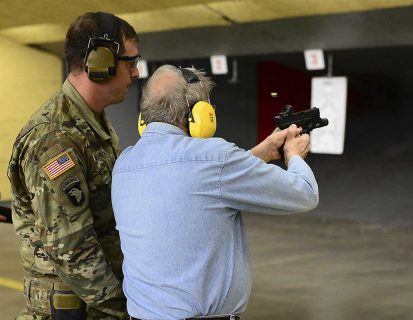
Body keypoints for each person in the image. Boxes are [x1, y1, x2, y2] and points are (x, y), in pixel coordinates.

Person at [111, 65, 319, 320]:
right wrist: (294, 155)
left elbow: (194, 180)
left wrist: (261, 153)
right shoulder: (215, 158)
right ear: (198, 113)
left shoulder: (124, 164)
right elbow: (304, 193)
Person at [7, 12, 140, 320]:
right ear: (100, 63)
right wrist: (128, 310)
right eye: (130, 62)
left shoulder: (91, 123)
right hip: (79, 309)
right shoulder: (56, 138)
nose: (135, 73)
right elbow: (73, 249)